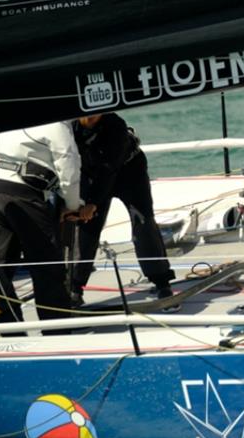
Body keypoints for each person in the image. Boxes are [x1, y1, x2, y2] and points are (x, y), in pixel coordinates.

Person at [70, 114, 175, 306]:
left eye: (97, 113)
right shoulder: (68, 127)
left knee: (142, 222)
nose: (92, 117)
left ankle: (161, 281)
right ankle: (74, 288)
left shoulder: (115, 124)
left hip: (129, 171)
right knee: (86, 227)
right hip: (92, 175)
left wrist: (93, 202)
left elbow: (109, 168)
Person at [0, 122, 87, 331]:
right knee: (47, 267)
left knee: (0, 268)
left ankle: (7, 329)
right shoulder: (55, 121)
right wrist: (71, 205)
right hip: (24, 195)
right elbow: (68, 163)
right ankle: (57, 330)